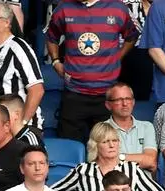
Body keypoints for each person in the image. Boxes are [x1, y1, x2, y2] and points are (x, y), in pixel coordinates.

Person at [46, 0, 138, 141]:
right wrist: (55, 61)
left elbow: (131, 37)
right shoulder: (64, 8)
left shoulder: (118, 8)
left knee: (105, 150)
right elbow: (51, 37)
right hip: (74, 93)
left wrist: (117, 57)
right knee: (70, 148)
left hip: (107, 95)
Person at [52, 123, 165, 191]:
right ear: (95, 145)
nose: (112, 145)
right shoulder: (83, 171)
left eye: (115, 140)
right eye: (105, 142)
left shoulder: (132, 169)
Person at [0, 2, 43, 134]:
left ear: (7, 22)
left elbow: (37, 90)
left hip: (20, 129)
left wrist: (22, 126)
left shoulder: (19, 48)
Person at [102, 81, 158, 173]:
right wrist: (140, 159)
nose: (125, 103)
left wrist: (119, 157)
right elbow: (103, 164)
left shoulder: (147, 127)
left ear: (133, 102)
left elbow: (150, 161)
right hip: (115, 184)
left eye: (128, 99)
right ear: (108, 105)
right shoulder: (101, 129)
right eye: (118, 100)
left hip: (144, 185)